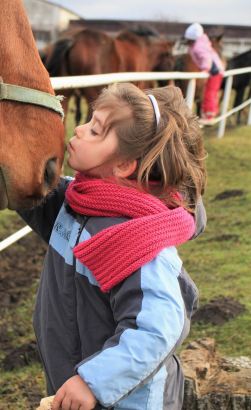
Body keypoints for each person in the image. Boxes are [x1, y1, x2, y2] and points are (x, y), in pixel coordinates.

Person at [18, 83, 207, 410]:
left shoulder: (139, 240)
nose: (79, 129)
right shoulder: (76, 202)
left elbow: (157, 331)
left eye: (95, 130)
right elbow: (27, 185)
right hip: (76, 386)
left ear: (122, 166)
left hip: (124, 399)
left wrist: (94, 381)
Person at [184, 22, 225, 124]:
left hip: (214, 72)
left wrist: (205, 70)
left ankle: (209, 117)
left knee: (209, 93)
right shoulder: (199, 44)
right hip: (216, 71)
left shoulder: (198, 46)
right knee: (211, 92)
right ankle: (210, 113)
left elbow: (206, 58)